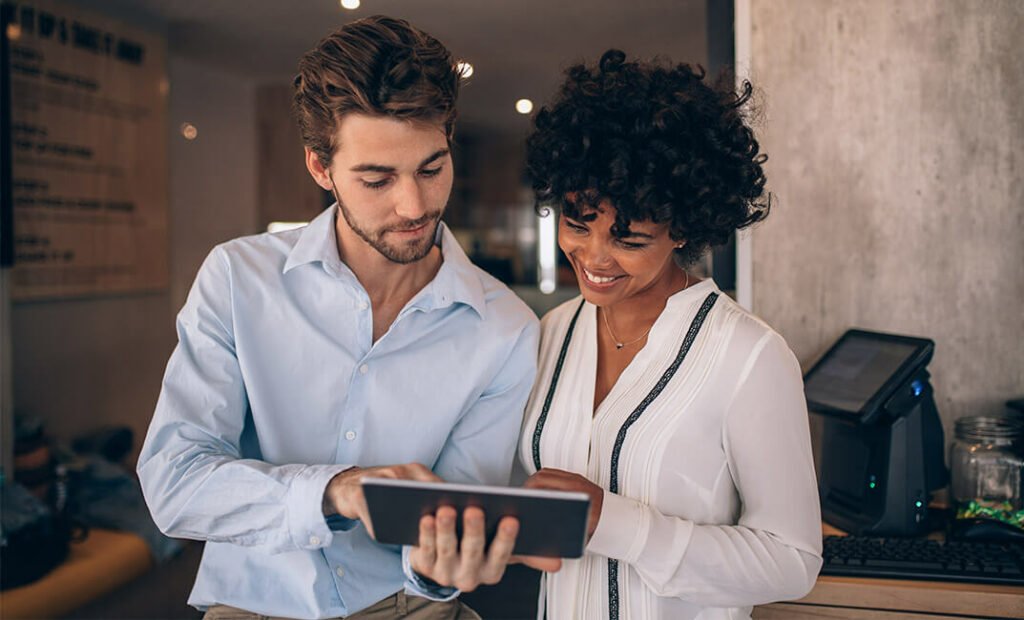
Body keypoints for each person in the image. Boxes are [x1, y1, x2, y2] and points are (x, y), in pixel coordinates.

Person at [137, 16, 548, 620]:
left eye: (431, 169)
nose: (413, 206)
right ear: (320, 169)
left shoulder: (505, 327)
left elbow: (451, 528)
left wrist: (443, 566)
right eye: (377, 179)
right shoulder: (237, 278)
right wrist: (335, 492)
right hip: (254, 603)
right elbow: (175, 482)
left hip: (410, 607)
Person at [518, 50, 823, 619]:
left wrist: (613, 524)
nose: (593, 257)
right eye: (576, 224)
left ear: (683, 226)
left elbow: (793, 561)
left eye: (628, 240)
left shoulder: (749, 357)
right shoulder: (551, 333)